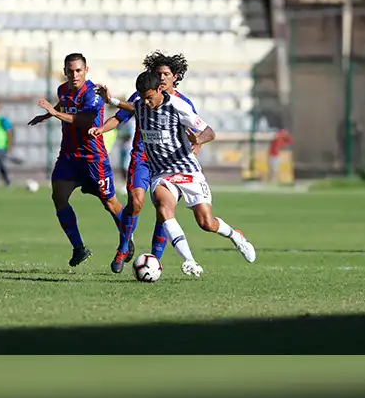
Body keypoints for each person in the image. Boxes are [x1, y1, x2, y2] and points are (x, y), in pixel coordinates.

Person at [94, 72, 256, 277]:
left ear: (160, 90)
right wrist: (112, 100)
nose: (146, 102)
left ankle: (236, 236)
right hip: (161, 174)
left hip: (187, 170)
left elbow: (209, 131)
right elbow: (133, 107)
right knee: (164, 210)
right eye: (142, 98)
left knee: (206, 223)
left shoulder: (178, 107)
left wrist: (198, 139)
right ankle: (190, 261)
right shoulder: (143, 105)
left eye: (149, 98)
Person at [95, 50, 198, 272]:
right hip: (142, 157)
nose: (161, 78)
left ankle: (154, 260)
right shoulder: (141, 96)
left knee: (164, 211)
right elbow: (120, 117)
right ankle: (124, 246)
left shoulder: (183, 103)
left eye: (165, 74)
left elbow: (195, 132)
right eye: (158, 73)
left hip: (171, 164)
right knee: (136, 202)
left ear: (175, 77)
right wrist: (101, 129)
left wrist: (195, 146)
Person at [28, 53, 131, 267]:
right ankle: (79, 248)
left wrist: (54, 113)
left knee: (109, 203)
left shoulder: (92, 93)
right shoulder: (62, 90)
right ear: (65, 71)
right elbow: (64, 104)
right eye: (70, 71)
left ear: (86, 70)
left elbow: (84, 120)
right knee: (59, 197)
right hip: (69, 156)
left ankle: (127, 238)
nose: (74, 74)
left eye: (78, 70)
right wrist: (47, 115)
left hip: (93, 158)